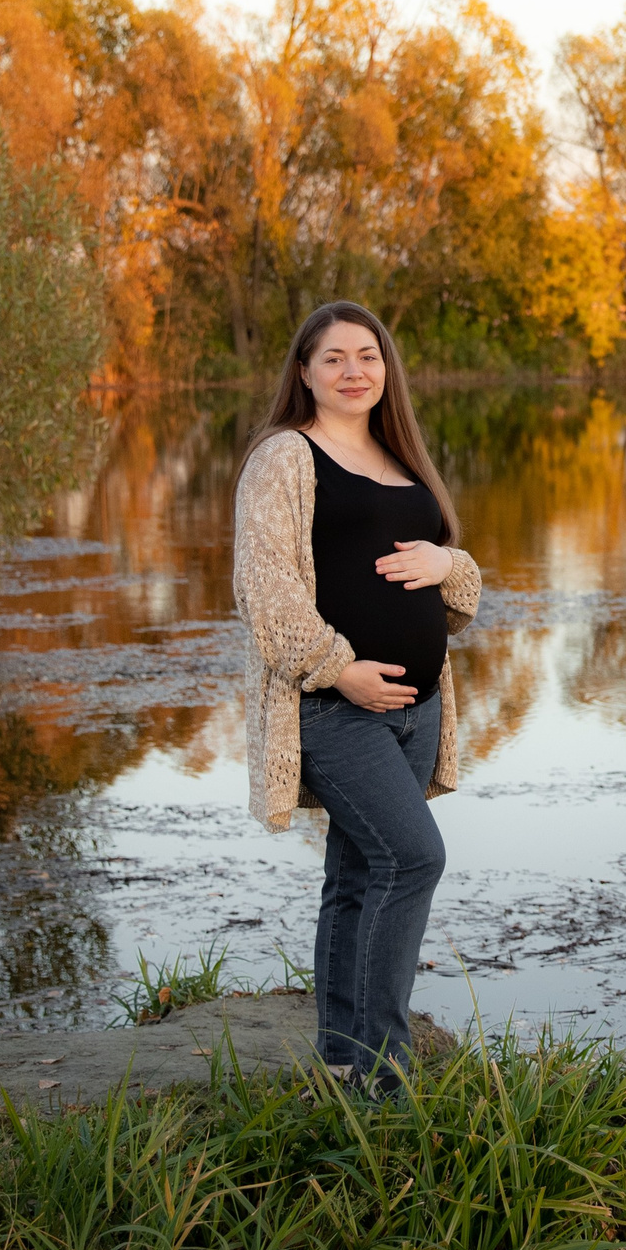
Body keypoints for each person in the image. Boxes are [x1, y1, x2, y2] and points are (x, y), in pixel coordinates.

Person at [232, 302, 481, 1092]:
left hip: (417, 709)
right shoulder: (284, 457)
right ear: (303, 370)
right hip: (333, 707)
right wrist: (341, 669)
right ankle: (387, 1074)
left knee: (356, 873)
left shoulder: (401, 456)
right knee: (413, 859)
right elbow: (264, 591)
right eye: (333, 357)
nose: (353, 371)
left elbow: (458, 582)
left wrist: (450, 565)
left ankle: (341, 1058)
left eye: (367, 356)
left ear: (386, 368)